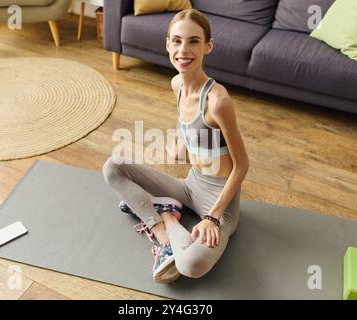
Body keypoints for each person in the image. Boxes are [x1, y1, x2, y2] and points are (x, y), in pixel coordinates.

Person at [102, 8, 249, 284]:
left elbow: (242, 165)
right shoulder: (177, 84)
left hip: (221, 204)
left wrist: (214, 218)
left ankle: (166, 214)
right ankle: (164, 231)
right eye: (177, 40)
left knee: (192, 265)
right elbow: (183, 122)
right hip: (190, 186)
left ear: (208, 45)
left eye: (194, 41)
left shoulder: (218, 101)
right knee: (113, 167)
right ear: (168, 44)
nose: (184, 49)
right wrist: (179, 143)